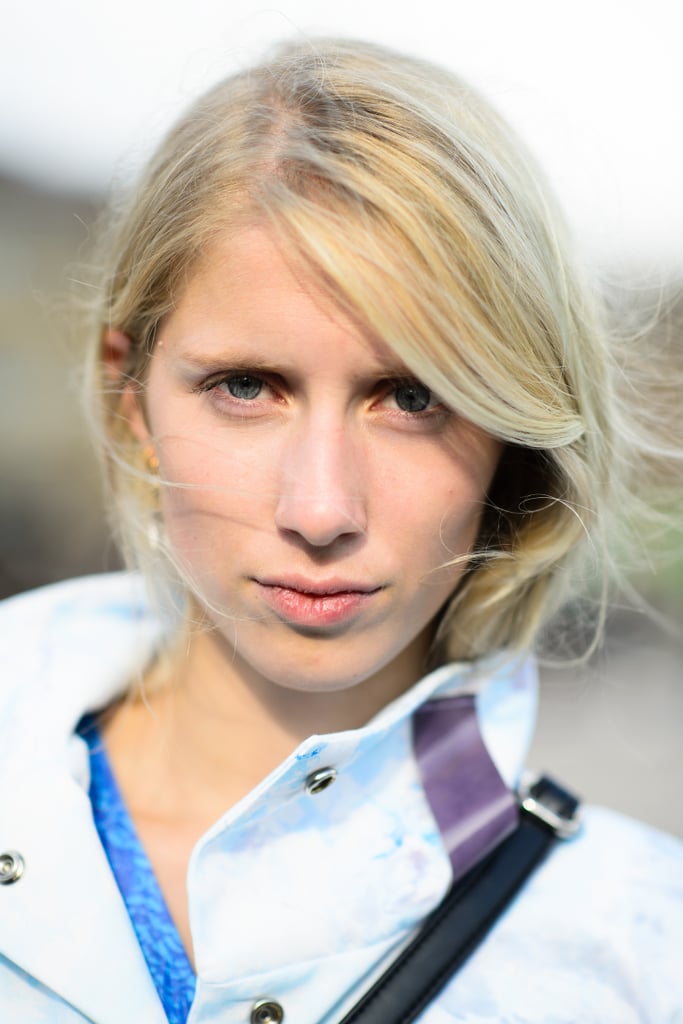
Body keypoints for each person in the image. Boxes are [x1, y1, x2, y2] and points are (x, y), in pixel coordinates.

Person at [0, 37, 681, 1024]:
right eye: (246, 387)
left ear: (513, 436)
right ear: (132, 396)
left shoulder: (638, 951)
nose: (319, 510)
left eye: (411, 397)